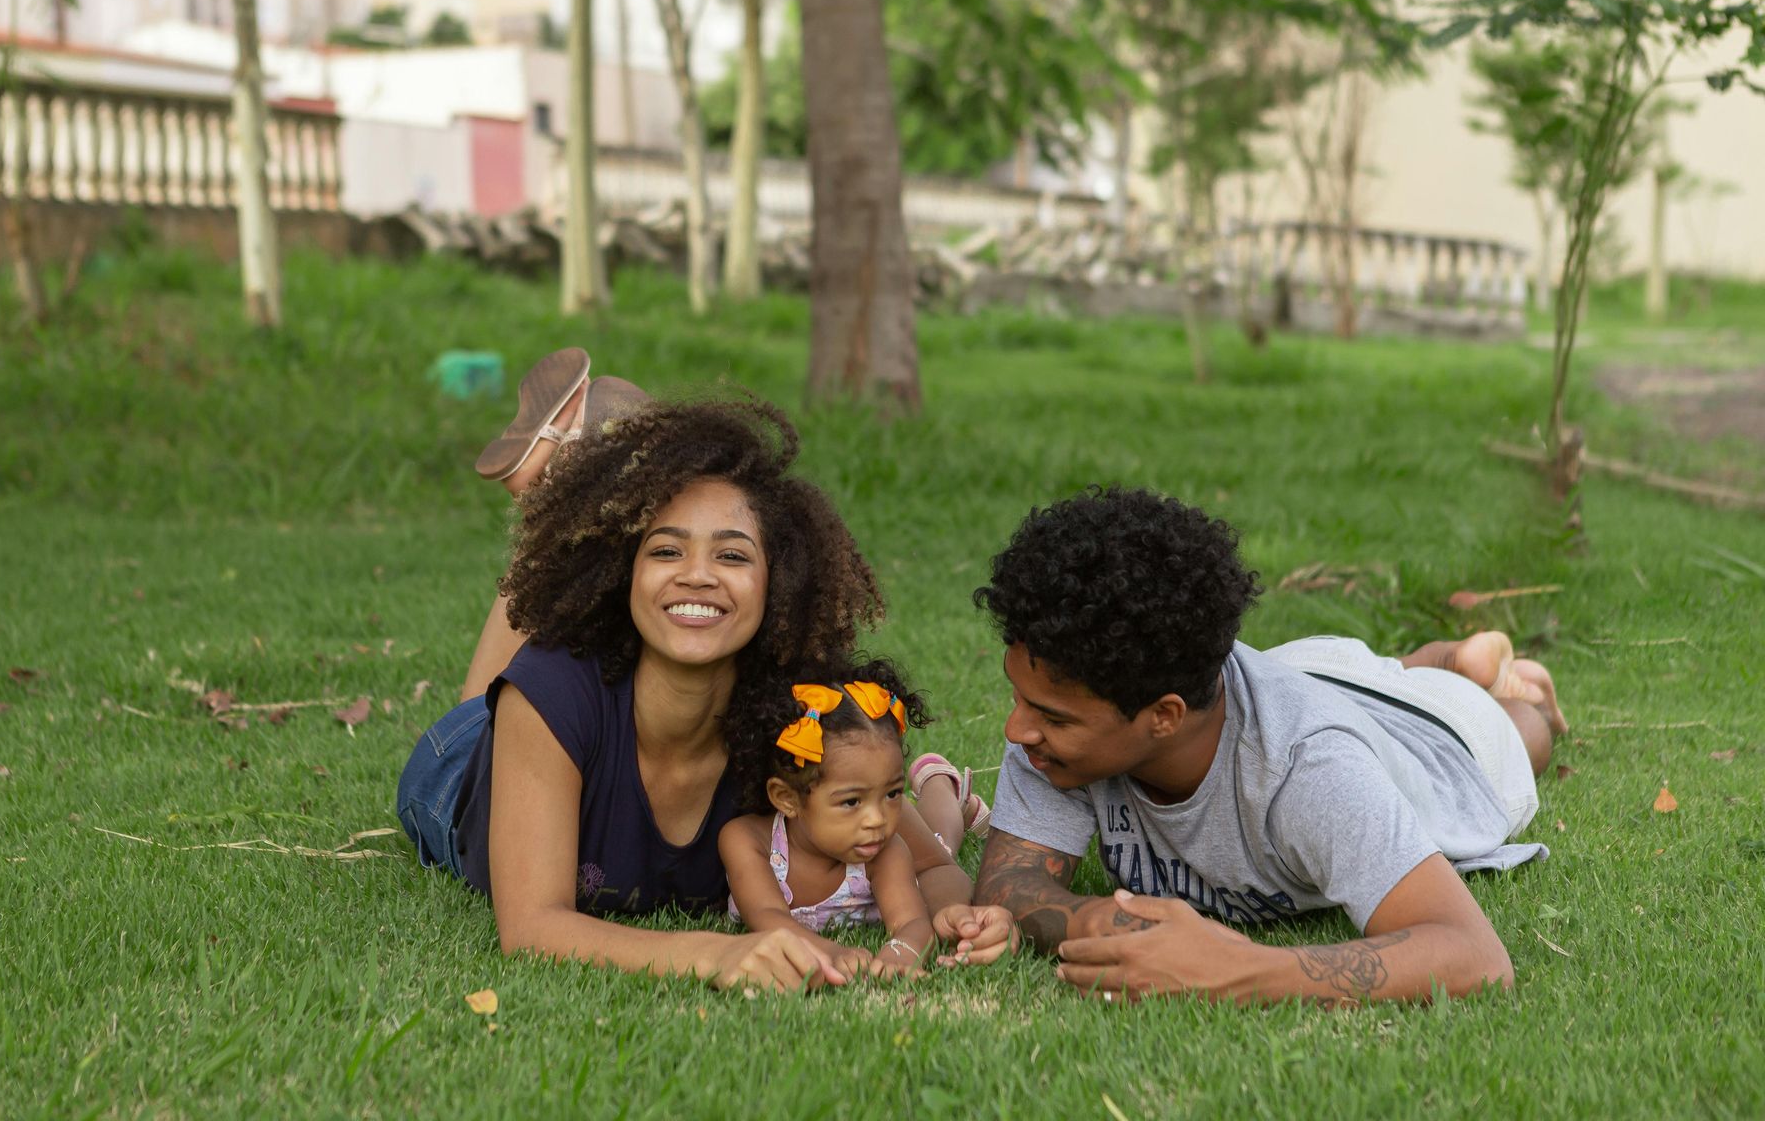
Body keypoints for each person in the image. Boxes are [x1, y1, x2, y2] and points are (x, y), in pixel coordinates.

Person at [398, 358, 1006, 990]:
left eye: (733, 555)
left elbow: (935, 868)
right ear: (623, 573)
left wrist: (958, 921)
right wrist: (714, 954)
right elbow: (531, 928)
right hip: (459, 769)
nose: (697, 574)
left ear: (779, 579)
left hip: (554, 709)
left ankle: (575, 471)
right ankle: (548, 510)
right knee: (487, 704)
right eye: (665, 549)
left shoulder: (797, 713)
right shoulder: (550, 692)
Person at [945, 486, 1569, 1006]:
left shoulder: (1310, 769)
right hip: (1301, 671)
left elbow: (1475, 956)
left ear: (1162, 717)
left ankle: (1484, 677)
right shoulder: (1059, 732)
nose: (1015, 730)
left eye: (1048, 715)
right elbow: (1008, 881)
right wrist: (1085, 919)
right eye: (1019, 700)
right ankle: (1426, 661)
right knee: (1345, 684)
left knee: (1523, 733)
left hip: (1440, 736)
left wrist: (1237, 969)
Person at [721, 657, 1016, 979]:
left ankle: (941, 786)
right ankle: (941, 786)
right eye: (851, 801)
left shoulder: (885, 849)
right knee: (937, 837)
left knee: (939, 847)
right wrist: (832, 954)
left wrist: (902, 952)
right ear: (787, 798)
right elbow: (767, 916)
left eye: (892, 793)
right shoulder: (749, 841)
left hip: (922, 848)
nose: (877, 819)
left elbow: (912, 923)